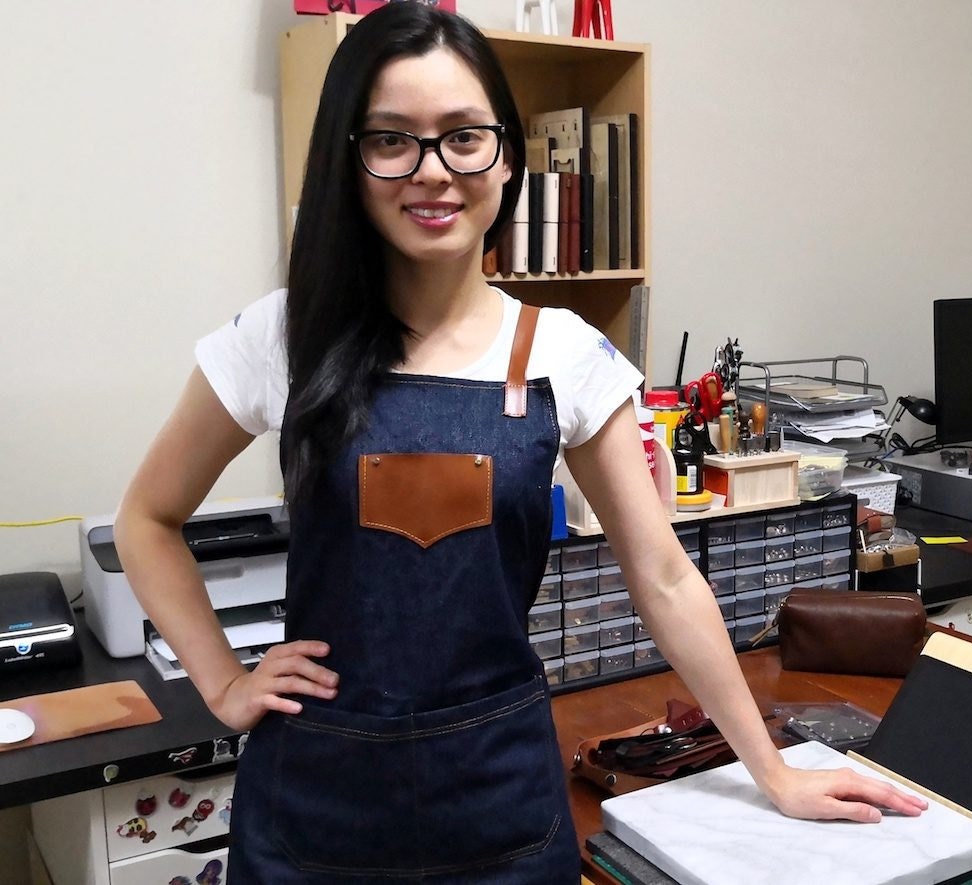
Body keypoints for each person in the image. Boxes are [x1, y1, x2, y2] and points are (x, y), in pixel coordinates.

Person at [113, 3, 925, 881]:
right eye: (393, 139)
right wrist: (225, 683)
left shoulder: (566, 353)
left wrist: (770, 769)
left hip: (498, 794)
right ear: (351, 158)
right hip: (315, 797)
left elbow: (660, 575)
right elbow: (147, 519)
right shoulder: (283, 338)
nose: (433, 172)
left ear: (507, 156)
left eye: (464, 137)